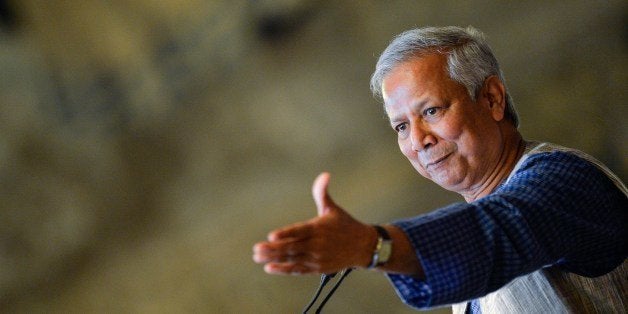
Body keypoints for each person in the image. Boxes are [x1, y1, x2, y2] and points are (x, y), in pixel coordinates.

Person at [252, 26, 627, 313]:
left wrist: (372, 246)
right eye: (401, 127)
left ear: (492, 99)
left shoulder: (566, 181)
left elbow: (500, 231)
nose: (418, 140)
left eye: (431, 111)